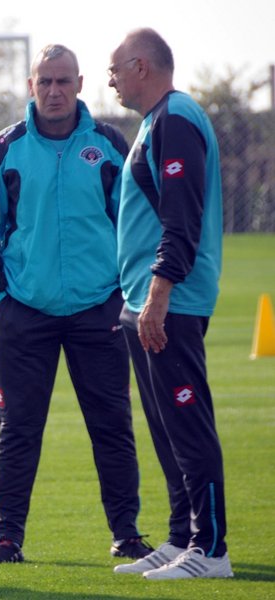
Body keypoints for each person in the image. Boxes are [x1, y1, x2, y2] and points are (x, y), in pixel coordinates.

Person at [0, 43, 152, 564]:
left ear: (79, 85)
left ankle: (127, 534)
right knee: (17, 431)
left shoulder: (109, 145)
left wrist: (122, 295)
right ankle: (7, 538)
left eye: (63, 81)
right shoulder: (3, 150)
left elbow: (135, 224)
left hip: (99, 310)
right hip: (26, 312)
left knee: (112, 426)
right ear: (31, 86)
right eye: (44, 81)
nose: (54, 91)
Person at [107, 28, 233, 580]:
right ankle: (183, 536)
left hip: (171, 301)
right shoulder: (154, 122)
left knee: (187, 424)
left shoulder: (176, 119)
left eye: (114, 69)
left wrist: (160, 293)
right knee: (164, 427)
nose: (110, 80)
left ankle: (211, 548)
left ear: (141, 66)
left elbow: (182, 216)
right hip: (144, 300)